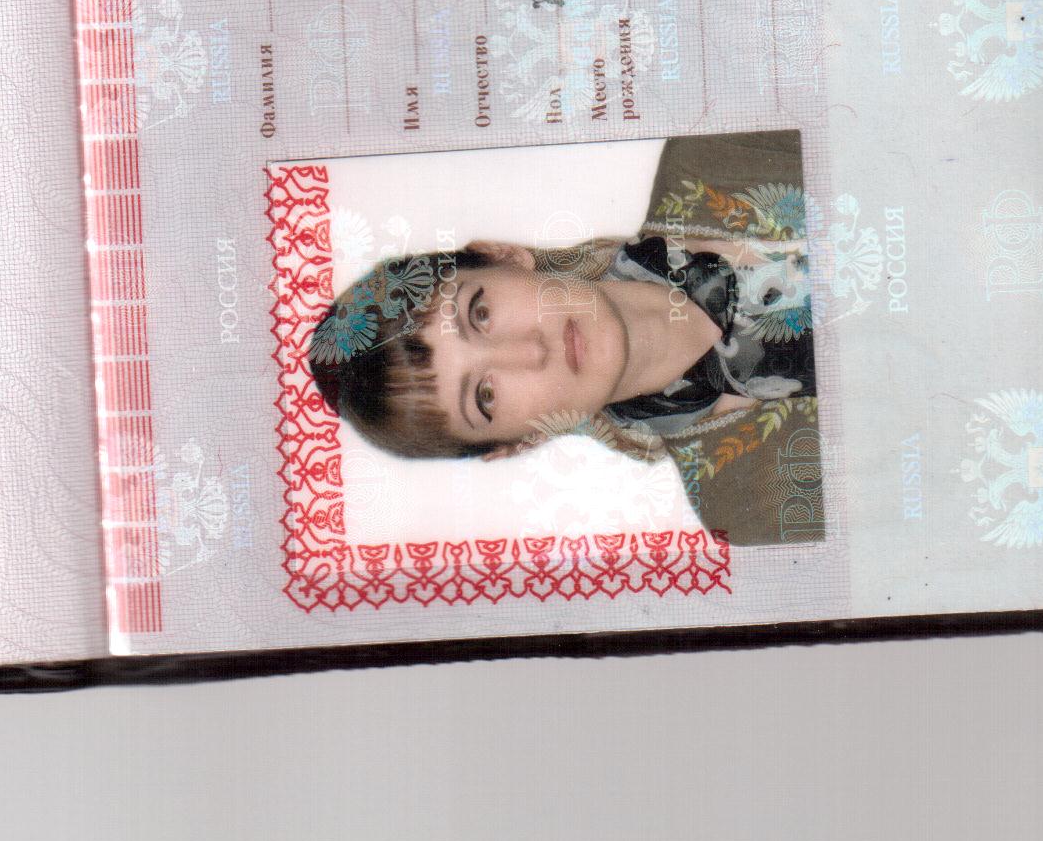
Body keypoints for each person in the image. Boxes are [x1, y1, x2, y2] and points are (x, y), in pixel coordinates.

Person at [305, 130, 825, 544]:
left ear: (505, 257)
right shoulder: (754, 506)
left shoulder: (719, 153)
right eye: (485, 396)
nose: (531, 351)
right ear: (521, 441)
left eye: (480, 313)